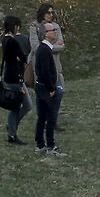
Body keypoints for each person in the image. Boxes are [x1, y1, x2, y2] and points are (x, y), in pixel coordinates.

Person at [25, 18, 64, 156]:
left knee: (41, 117)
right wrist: (51, 88)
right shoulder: (45, 50)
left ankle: (40, 144)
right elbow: (46, 72)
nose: (55, 31)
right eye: (52, 30)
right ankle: (50, 147)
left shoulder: (43, 48)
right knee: (50, 117)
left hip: (40, 87)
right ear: (46, 34)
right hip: (46, 88)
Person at [0, 13, 30, 144]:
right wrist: (20, 58)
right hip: (15, 77)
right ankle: (12, 132)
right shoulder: (12, 41)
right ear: (14, 26)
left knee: (18, 105)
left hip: (9, 76)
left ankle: (11, 128)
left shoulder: (5, 40)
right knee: (23, 105)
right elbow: (23, 57)